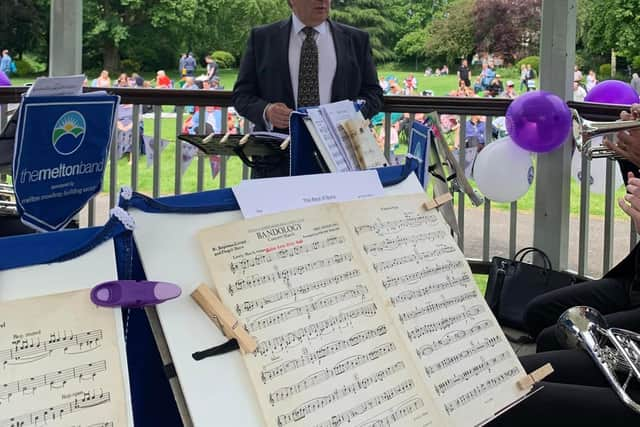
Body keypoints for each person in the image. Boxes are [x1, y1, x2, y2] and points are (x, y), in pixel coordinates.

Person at [232, 0, 383, 178]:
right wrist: (267, 112)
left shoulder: (356, 40)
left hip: (339, 160)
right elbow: (242, 96)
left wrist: (348, 116)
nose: (323, 1)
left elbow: (374, 95)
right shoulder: (262, 38)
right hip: (276, 163)